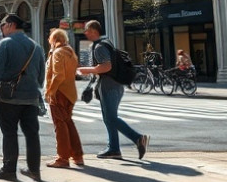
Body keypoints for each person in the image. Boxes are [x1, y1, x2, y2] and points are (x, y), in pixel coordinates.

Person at [77, 20, 149, 160]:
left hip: (109, 85)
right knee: (109, 118)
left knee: (110, 118)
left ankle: (138, 139)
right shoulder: (106, 43)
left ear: (93, 30)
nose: (85, 33)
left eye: (87, 30)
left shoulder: (99, 47)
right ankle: (114, 149)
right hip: (114, 84)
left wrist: (84, 70)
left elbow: (106, 67)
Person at [0, 14, 44, 181]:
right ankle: (34, 170)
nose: (2, 28)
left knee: (10, 133)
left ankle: (9, 170)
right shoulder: (36, 46)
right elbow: (41, 76)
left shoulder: (5, 44)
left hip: (9, 98)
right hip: (31, 97)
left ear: (11, 25)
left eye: (3, 25)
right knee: (32, 134)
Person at [44, 28, 82, 169]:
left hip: (59, 93)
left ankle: (63, 158)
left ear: (54, 40)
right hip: (70, 92)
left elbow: (58, 75)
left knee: (60, 126)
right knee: (68, 123)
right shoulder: (70, 51)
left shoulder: (58, 53)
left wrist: (50, 91)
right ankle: (77, 156)